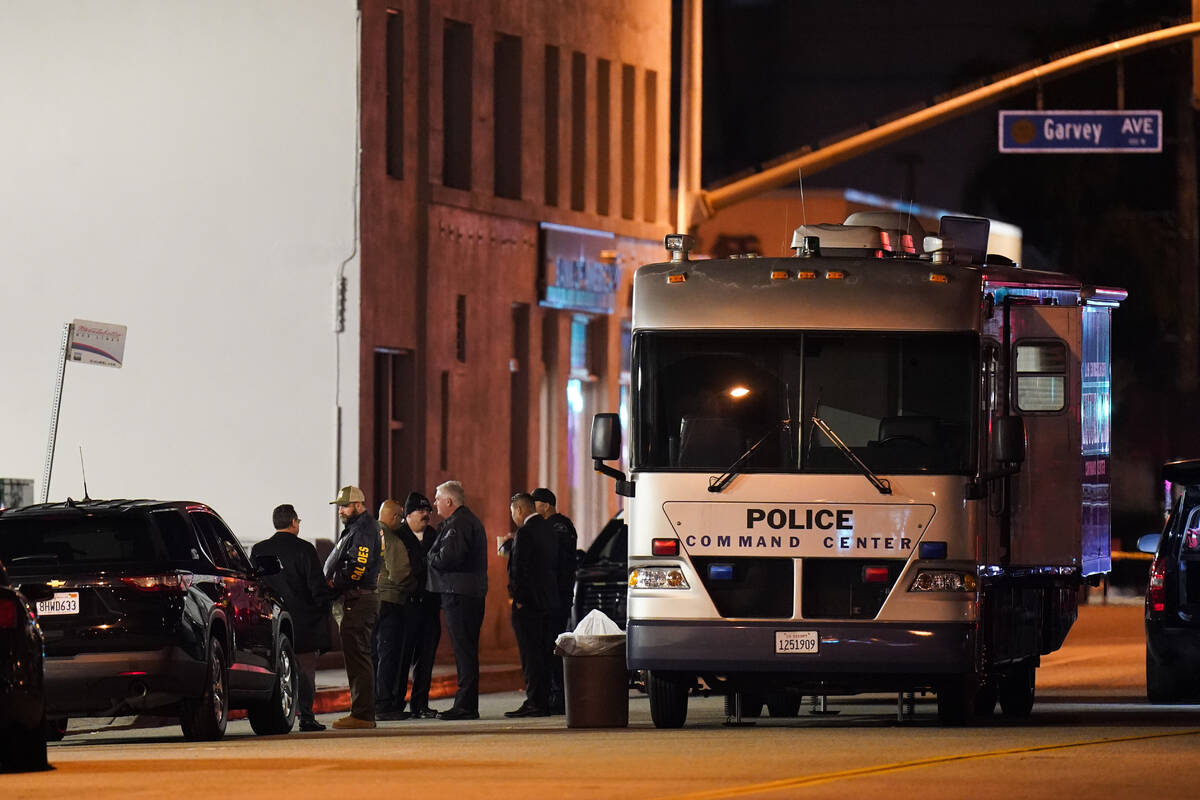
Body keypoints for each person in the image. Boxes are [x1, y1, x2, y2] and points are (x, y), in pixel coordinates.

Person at [251, 504, 335, 732]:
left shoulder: (259, 550)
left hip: (273, 621)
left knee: (278, 670)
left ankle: (278, 716)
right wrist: (325, 604)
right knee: (305, 673)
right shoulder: (305, 549)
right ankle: (306, 717)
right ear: (294, 522)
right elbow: (316, 587)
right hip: (304, 622)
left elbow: (256, 585)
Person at [427, 480, 488, 720]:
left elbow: (448, 558)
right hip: (468, 593)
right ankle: (467, 703)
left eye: (438, 498)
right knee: (467, 650)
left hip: (459, 594)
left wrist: (430, 555)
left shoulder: (458, 524)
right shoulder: (468, 521)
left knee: (464, 651)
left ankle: (465, 705)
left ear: (449, 501)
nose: (434, 503)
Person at [325, 485, 382, 729]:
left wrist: (333, 583)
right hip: (356, 598)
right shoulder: (356, 528)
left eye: (345, 506)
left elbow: (358, 567)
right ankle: (362, 712)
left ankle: (362, 714)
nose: (341, 511)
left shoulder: (363, 529)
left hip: (358, 600)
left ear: (359, 505)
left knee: (358, 658)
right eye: (339, 506)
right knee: (357, 657)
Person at [504, 492, 559, 717]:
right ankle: (544, 700)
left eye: (513, 513)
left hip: (529, 605)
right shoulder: (549, 529)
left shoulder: (525, 533)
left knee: (530, 655)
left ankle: (535, 701)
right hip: (550, 602)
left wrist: (517, 599)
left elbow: (520, 570)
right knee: (545, 653)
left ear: (519, 509)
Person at [531, 487, 577, 715]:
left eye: (535, 503)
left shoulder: (559, 526)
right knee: (546, 646)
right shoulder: (550, 527)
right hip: (550, 597)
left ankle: (559, 696)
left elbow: (553, 556)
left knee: (553, 646)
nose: (532, 508)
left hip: (556, 598)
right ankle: (552, 694)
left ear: (546, 505)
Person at [374, 498, 421, 720]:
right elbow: (401, 574)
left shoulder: (366, 535)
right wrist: (415, 586)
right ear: (393, 517)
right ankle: (384, 704)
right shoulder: (391, 540)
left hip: (369, 602)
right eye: (400, 518)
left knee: (372, 654)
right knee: (389, 655)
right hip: (391, 601)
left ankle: (371, 701)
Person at [396, 492, 440, 719]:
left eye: (428, 511)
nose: (425, 515)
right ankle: (396, 703)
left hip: (430, 606)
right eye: (420, 511)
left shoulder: (435, 535)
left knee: (426, 658)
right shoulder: (399, 537)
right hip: (407, 607)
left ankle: (420, 704)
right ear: (408, 514)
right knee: (402, 657)